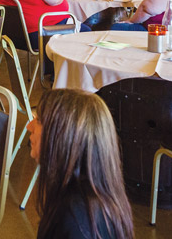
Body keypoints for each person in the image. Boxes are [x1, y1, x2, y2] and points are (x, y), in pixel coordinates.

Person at [28, 90, 134, 239]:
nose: (29, 126)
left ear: (63, 137)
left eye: (39, 121)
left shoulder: (72, 217)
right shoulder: (96, 199)